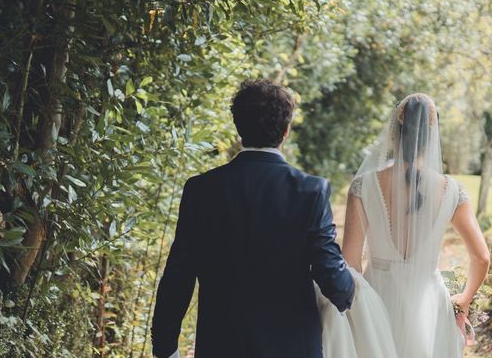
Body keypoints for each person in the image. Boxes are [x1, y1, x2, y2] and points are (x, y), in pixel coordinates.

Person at [151, 79, 355, 358]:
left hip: (220, 345)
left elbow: (178, 275)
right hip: (293, 347)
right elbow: (330, 274)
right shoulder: (310, 191)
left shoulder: (201, 189)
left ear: (238, 128)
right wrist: (349, 292)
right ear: (286, 131)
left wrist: (165, 348)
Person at [334, 93, 490, 358]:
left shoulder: (363, 187)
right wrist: (463, 301)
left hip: (376, 301)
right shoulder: (452, 191)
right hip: (429, 306)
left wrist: (359, 312)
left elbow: (350, 263)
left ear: (394, 133)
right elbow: (482, 257)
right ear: (431, 138)